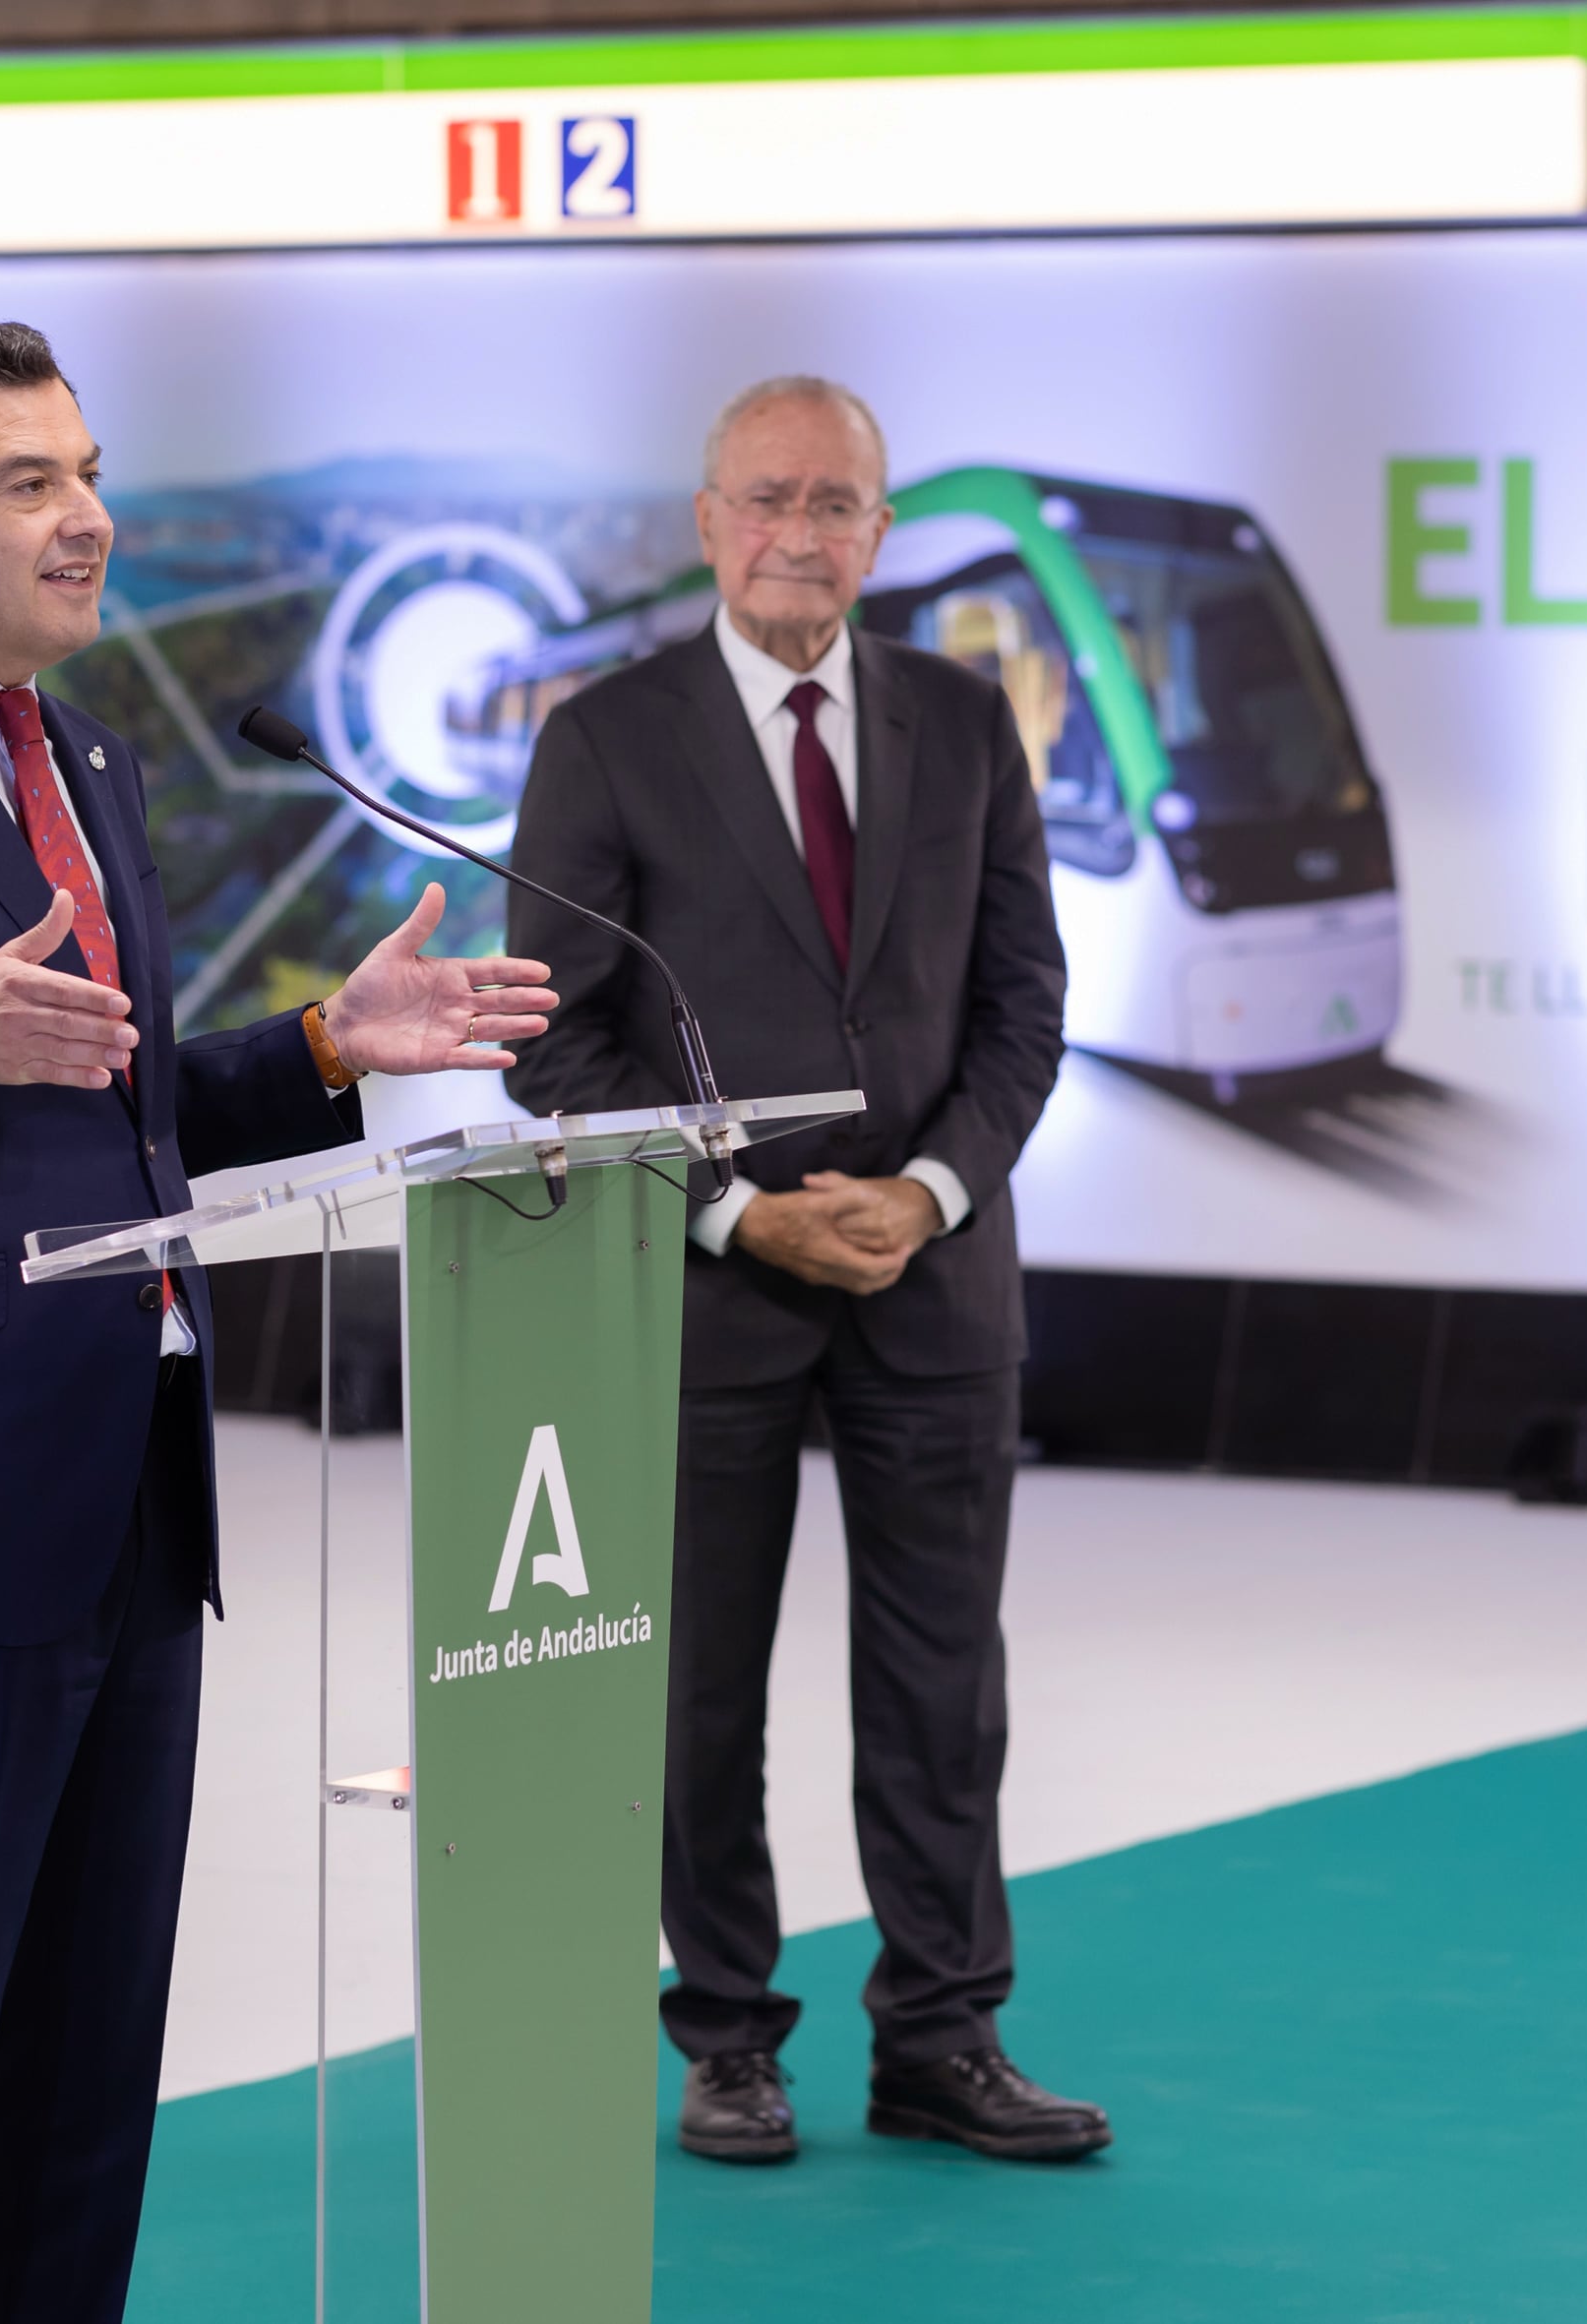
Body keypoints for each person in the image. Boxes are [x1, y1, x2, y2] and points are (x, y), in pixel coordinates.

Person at [0, 316, 560, 2324]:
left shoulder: (88, 757)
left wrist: (328, 1042)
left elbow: (119, 1106)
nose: (89, 519)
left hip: (133, 1493)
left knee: (81, 2064)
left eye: (87, 470)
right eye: (27, 481)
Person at [507, 377, 1097, 2165]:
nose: (799, 531)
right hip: (706, 1284)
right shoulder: (606, 738)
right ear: (706, 521)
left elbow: (1021, 1006)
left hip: (928, 1276)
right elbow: (556, 1040)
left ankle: (939, 2033)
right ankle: (726, 2038)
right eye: (766, 498)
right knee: (699, 1687)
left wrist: (924, 1190)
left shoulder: (964, 721)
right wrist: (735, 1209)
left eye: (835, 502)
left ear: (878, 532)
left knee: (942, 1687)